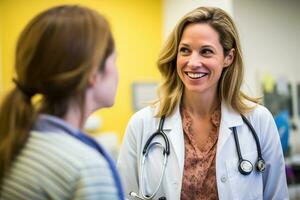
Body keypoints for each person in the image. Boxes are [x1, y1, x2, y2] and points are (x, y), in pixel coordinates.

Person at [117, 6, 288, 200]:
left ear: (228, 58)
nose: (193, 62)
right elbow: (123, 195)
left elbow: (277, 196)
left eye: (206, 51)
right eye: (185, 50)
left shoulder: (259, 121)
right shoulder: (142, 124)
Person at [0, 5, 124, 200]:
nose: (117, 73)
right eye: (114, 60)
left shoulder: (16, 138)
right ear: (93, 73)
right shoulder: (87, 168)